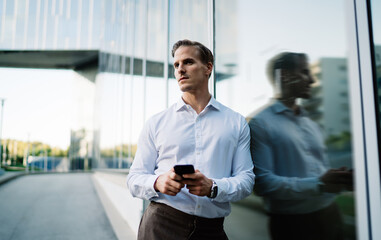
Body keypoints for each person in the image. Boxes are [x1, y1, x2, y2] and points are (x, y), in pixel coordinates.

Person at [126, 39, 255, 240]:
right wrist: (158, 182)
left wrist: (213, 187)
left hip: (211, 230)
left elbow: (246, 180)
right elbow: (134, 178)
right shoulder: (156, 123)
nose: (180, 69)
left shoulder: (236, 122)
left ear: (208, 68)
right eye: (176, 65)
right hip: (161, 224)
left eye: (188, 62)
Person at [248, 52, 353, 240]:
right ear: (285, 76)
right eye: (305, 72)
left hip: (331, 214)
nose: (312, 80)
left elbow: (320, 170)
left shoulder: (311, 124)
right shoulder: (260, 124)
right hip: (294, 226)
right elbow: (263, 184)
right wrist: (319, 184)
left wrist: (340, 180)